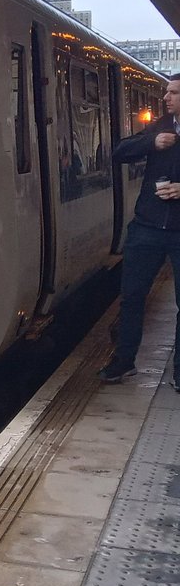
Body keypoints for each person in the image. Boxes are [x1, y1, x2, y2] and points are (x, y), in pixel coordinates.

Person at [99, 74, 180, 384]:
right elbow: (119, 152)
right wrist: (151, 142)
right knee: (131, 297)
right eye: (167, 92)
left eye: (174, 93)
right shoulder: (161, 127)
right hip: (147, 227)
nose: (166, 98)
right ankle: (123, 361)